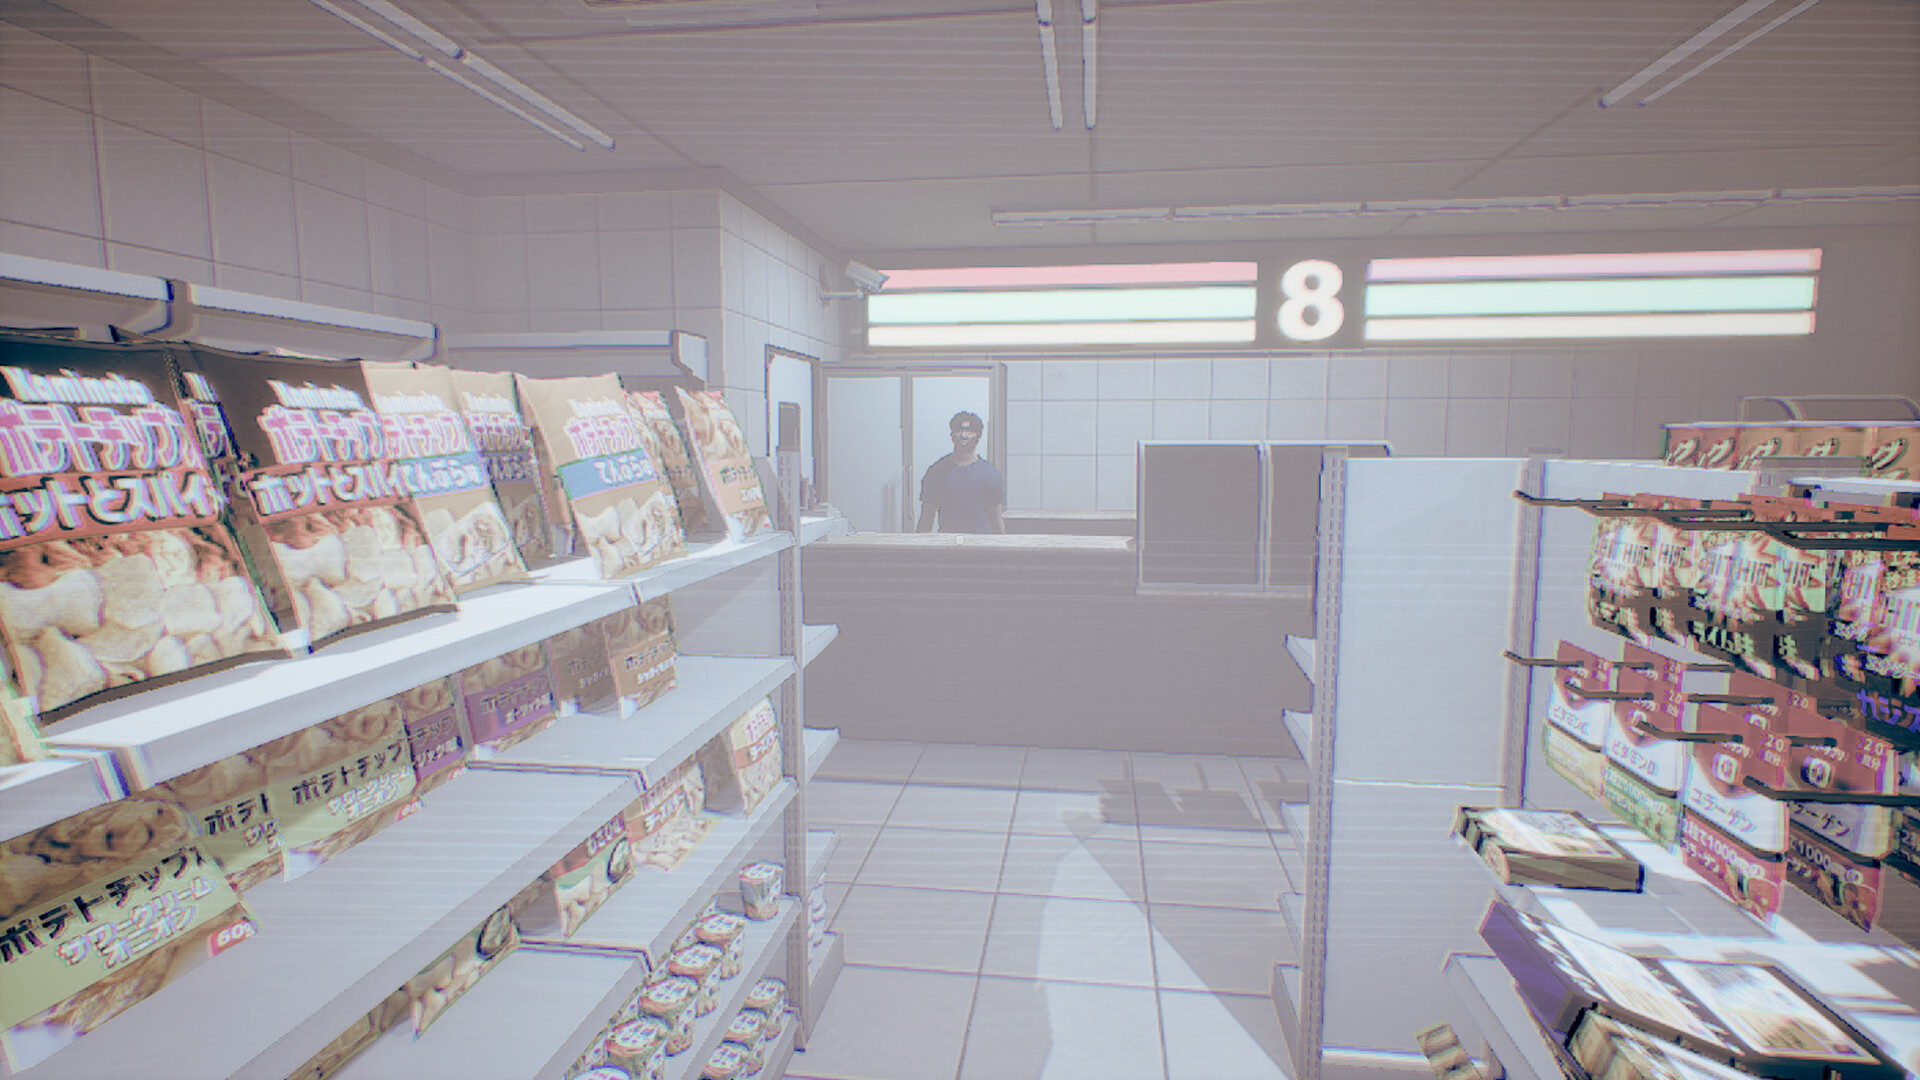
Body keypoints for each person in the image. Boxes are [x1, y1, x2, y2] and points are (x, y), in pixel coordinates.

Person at [916, 411, 1005, 534]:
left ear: (978, 436)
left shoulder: (990, 475)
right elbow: (926, 521)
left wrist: (1002, 544)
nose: (964, 435)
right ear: (952, 435)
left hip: (982, 542)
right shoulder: (936, 472)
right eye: (959, 430)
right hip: (949, 542)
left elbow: (997, 522)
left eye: (969, 431)